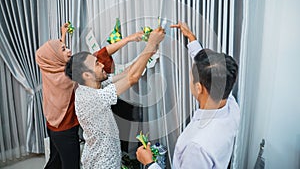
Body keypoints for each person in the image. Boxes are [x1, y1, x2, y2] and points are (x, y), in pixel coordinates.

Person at [36, 22, 143, 169]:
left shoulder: (49, 68)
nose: (68, 50)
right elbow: (100, 56)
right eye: (64, 49)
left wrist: (63, 35)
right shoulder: (67, 77)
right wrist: (129, 40)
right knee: (69, 164)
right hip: (65, 128)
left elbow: (59, 54)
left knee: (55, 161)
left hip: (53, 124)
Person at [136, 22, 240, 169]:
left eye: (191, 77)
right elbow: (214, 72)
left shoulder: (196, 147)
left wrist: (149, 163)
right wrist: (192, 40)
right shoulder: (231, 106)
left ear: (199, 88)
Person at [64, 27, 165, 169]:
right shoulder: (91, 97)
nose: (102, 64)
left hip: (101, 156)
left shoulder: (93, 84)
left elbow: (127, 73)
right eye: (96, 64)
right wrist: (150, 44)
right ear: (86, 75)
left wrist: (151, 49)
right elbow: (132, 78)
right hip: (103, 163)